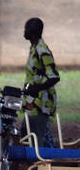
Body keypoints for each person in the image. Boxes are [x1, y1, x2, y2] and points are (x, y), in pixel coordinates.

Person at [23, 17, 60, 150]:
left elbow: (54, 77)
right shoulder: (34, 48)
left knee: (37, 137)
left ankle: (42, 167)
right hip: (33, 101)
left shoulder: (42, 50)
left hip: (42, 102)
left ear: (32, 31)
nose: (24, 31)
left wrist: (36, 88)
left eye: (26, 28)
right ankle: (47, 163)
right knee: (29, 132)